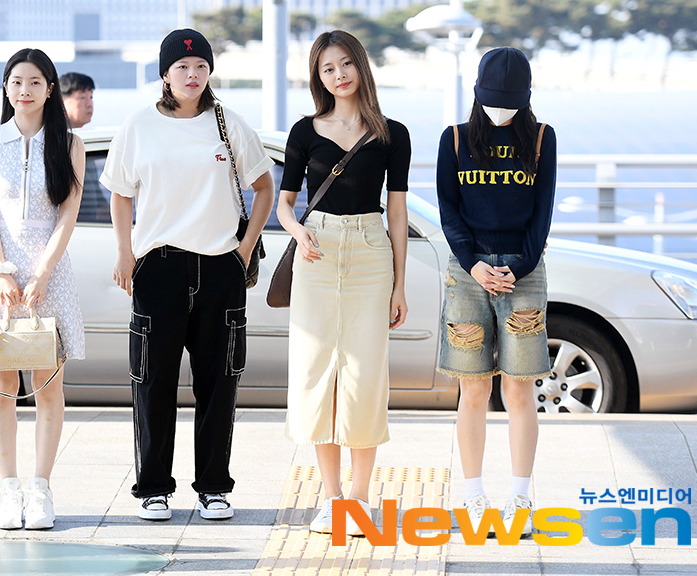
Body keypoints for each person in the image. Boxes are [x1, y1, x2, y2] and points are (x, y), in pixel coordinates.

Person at [101, 28, 274, 521]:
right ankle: (153, 488)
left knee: (219, 383)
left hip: (221, 268)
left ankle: (213, 488)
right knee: (153, 382)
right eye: (182, 67)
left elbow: (264, 187)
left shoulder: (227, 122)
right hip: (158, 267)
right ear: (165, 74)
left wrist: (243, 251)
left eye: (200, 67)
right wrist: (125, 252)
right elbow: (120, 193)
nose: (192, 74)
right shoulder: (139, 126)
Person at [277, 29, 410, 535]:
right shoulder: (304, 131)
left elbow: (397, 212)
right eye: (328, 68)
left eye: (346, 64)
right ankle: (331, 498)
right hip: (317, 251)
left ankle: (359, 499)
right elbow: (285, 204)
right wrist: (297, 232)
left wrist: (399, 285)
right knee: (316, 372)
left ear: (361, 65)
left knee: (364, 375)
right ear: (319, 77)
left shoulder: (392, 133)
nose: (339, 75)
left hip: (372, 252)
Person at [0, 48, 85, 530]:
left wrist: (44, 271)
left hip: (49, 276)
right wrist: (1, 268)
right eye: (16, 82)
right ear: (6, 88)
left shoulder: (69, 145)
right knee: (2, 385)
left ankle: (41, 490)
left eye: (34, 82)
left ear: (50, 89)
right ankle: (9, 491)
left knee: (47, 385)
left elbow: (68, 214)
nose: (24, 90)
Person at [435, 46, 557, 538]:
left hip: (523, 271)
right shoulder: (455, 138)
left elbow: (543, 211)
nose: (499, 110)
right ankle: (474, 495)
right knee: (474, 389)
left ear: (525, 99)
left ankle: (521, 497)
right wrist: (475, 264)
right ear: (476, 94)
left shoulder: (542, 138)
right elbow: (448, 210)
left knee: (520, 387)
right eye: (492, 101)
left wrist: (517, 268)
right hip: (468, 272)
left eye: (508, 103)